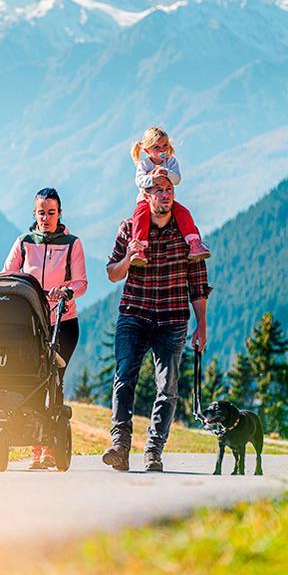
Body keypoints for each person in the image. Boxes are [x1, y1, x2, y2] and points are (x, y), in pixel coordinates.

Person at [102, 174, 212, 472]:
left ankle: (154, 451)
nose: (165, 195)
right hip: (134, 314)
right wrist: (129, 258)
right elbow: (112, 273)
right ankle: (120, 446)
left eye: (169, 189)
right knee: (124, 376)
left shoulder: (187, 233)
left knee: (168, 386)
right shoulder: (130, 229)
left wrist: (201, 325)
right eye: (158, 190)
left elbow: (198, 282)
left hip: (172, 319)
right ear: (146, 195)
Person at [2, 187, 88, 469]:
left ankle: (51, 446)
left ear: (60, 213)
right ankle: (36, 447)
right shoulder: (24, 242)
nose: (46, 218)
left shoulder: (72, 244)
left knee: (53, 379)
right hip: (31, 324)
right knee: (32, 380)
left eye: (51, 212)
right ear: (34, 213)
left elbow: (81, 282)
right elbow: (7, 273)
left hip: (63, 323)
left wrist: (66, 291)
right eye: (42, 213)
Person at [129, 126, 210, 266]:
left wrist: (166, 173)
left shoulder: (171, 161)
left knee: (183, 212)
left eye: (165, 145)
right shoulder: (144, 164)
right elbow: (139, 181)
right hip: (146, 199)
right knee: (140, 216)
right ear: (147, 150)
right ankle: (139, 249)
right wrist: (153, 179)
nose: (162, 150)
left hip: (166, 197)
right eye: (156, 147)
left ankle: (194, 243)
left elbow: (177, 179)